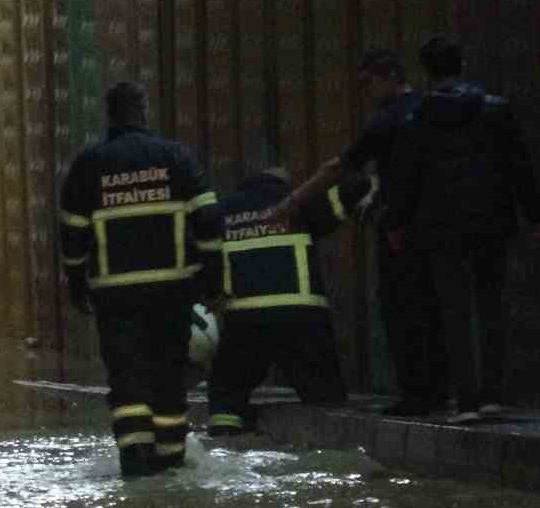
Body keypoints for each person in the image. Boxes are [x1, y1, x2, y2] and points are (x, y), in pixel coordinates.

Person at [59, 83, 222, 476]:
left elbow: (73, 235)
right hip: (172, 291)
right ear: (143, 112)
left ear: (110, 116)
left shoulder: (89, 165)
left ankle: (135, 461)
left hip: (115, 297)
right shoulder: (176, 158)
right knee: (168, 375)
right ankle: (170, 461)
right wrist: (212, 280)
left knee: (127, 377)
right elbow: (208, 221)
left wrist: (76, 284)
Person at [384, 36, 540, 424]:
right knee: (491, 306)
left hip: (440, 226)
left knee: (454, 311)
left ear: (426, 71)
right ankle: (493, 394)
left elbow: (406, 177)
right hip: (492, 220)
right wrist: (535, 216)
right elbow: (519, 167)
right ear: (463, 64)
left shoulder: (417, 117)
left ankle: (467, 400)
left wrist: (396, 223)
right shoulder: (496, 110)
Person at [280, 50, 447, 416]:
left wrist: (293, 200)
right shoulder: (431, 109)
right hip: (441, 223)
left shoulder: (386, 120)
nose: (365, 92)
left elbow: (339, 166)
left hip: (401, 227)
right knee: (433, 306)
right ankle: (440, 390)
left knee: (400, 307)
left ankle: (416, 394)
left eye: (368, 83)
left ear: (388, 76)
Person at [206, 165, 376, 436]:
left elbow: (204, 255)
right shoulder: (296, 202)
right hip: (301, 317)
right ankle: (332, 444)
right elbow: (352, 189)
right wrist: (372, 180)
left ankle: (225, 441)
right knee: (324, 392)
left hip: (245, 318)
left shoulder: (224, 210)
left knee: (226, 392)